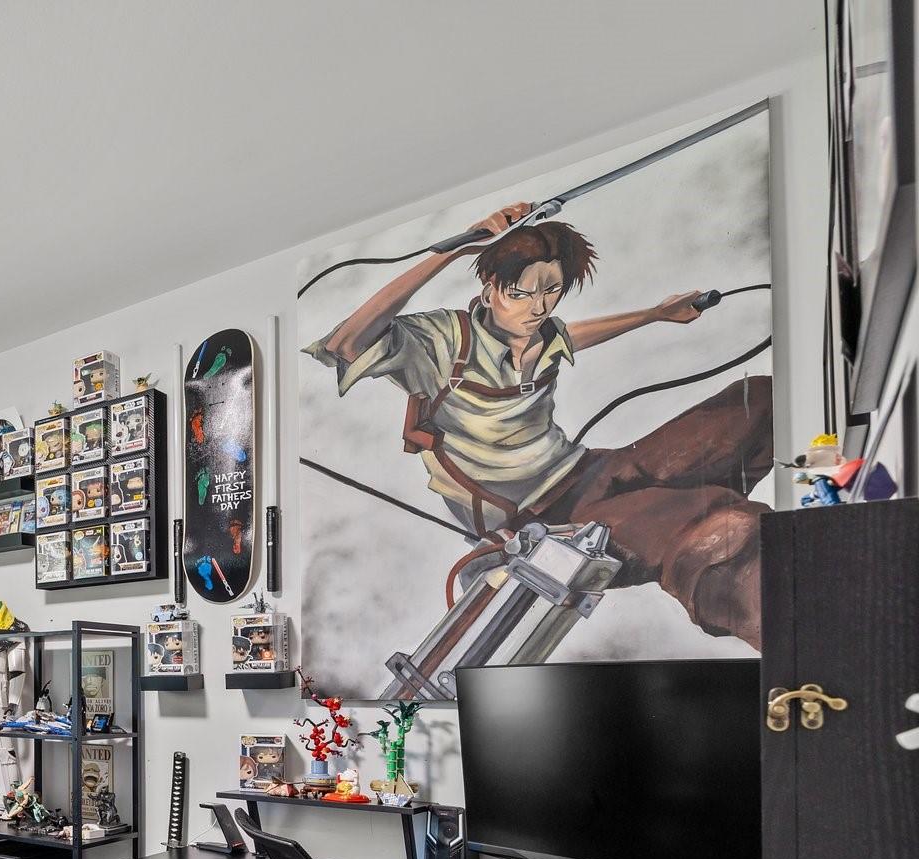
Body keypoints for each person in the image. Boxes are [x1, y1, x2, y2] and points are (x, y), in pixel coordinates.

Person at [305, 201, 770, 646]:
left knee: (756, 405)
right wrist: (454, 250)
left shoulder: (543, 333)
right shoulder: (445, 341)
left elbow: (575, 335)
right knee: (718, 528)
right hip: (539, 519)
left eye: (551, 290)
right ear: (489, 288)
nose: (537, 306)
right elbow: (347, 343)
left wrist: (654, 315)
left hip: (589, 471)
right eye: (520, 292)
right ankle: (767, 598)